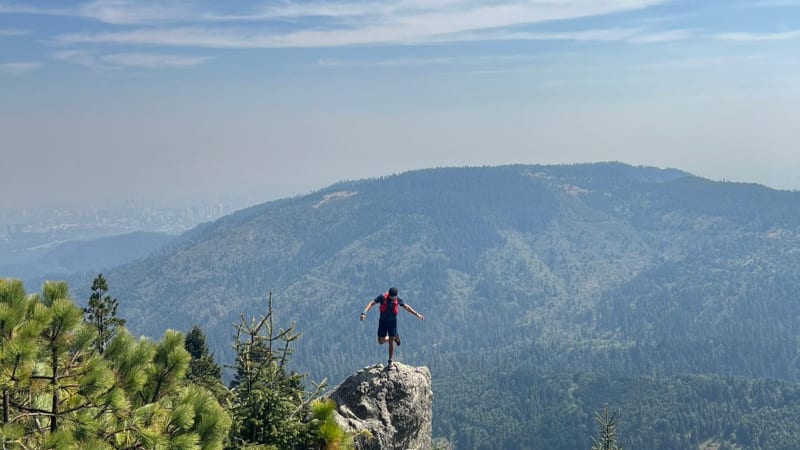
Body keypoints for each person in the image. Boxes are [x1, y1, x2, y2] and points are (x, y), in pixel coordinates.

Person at [360, 287, 424, 368]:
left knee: (390, 341)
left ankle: (390, 361)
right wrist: (364, 312)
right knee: (381, 341)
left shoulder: (397, 300)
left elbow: (407, 307)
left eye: (394, 297)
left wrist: (417, 314)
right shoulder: (382, 298)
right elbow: (372, 303)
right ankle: (394, 338)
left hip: (392, 322)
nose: (394, 298)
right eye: (393, 297)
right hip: (383, 322)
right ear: (390, 295)